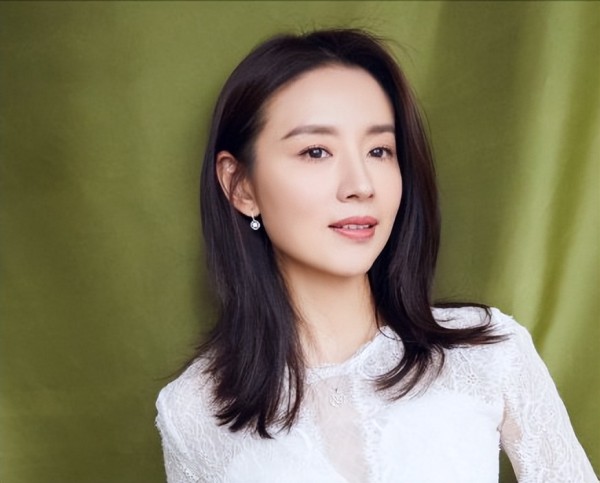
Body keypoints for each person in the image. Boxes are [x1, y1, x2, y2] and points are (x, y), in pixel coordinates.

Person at [155, 29, 597, 482]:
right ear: (240, 186)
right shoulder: (193, 411)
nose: (361, 185)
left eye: (379, 150)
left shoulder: (487, 353)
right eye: (316, 151)